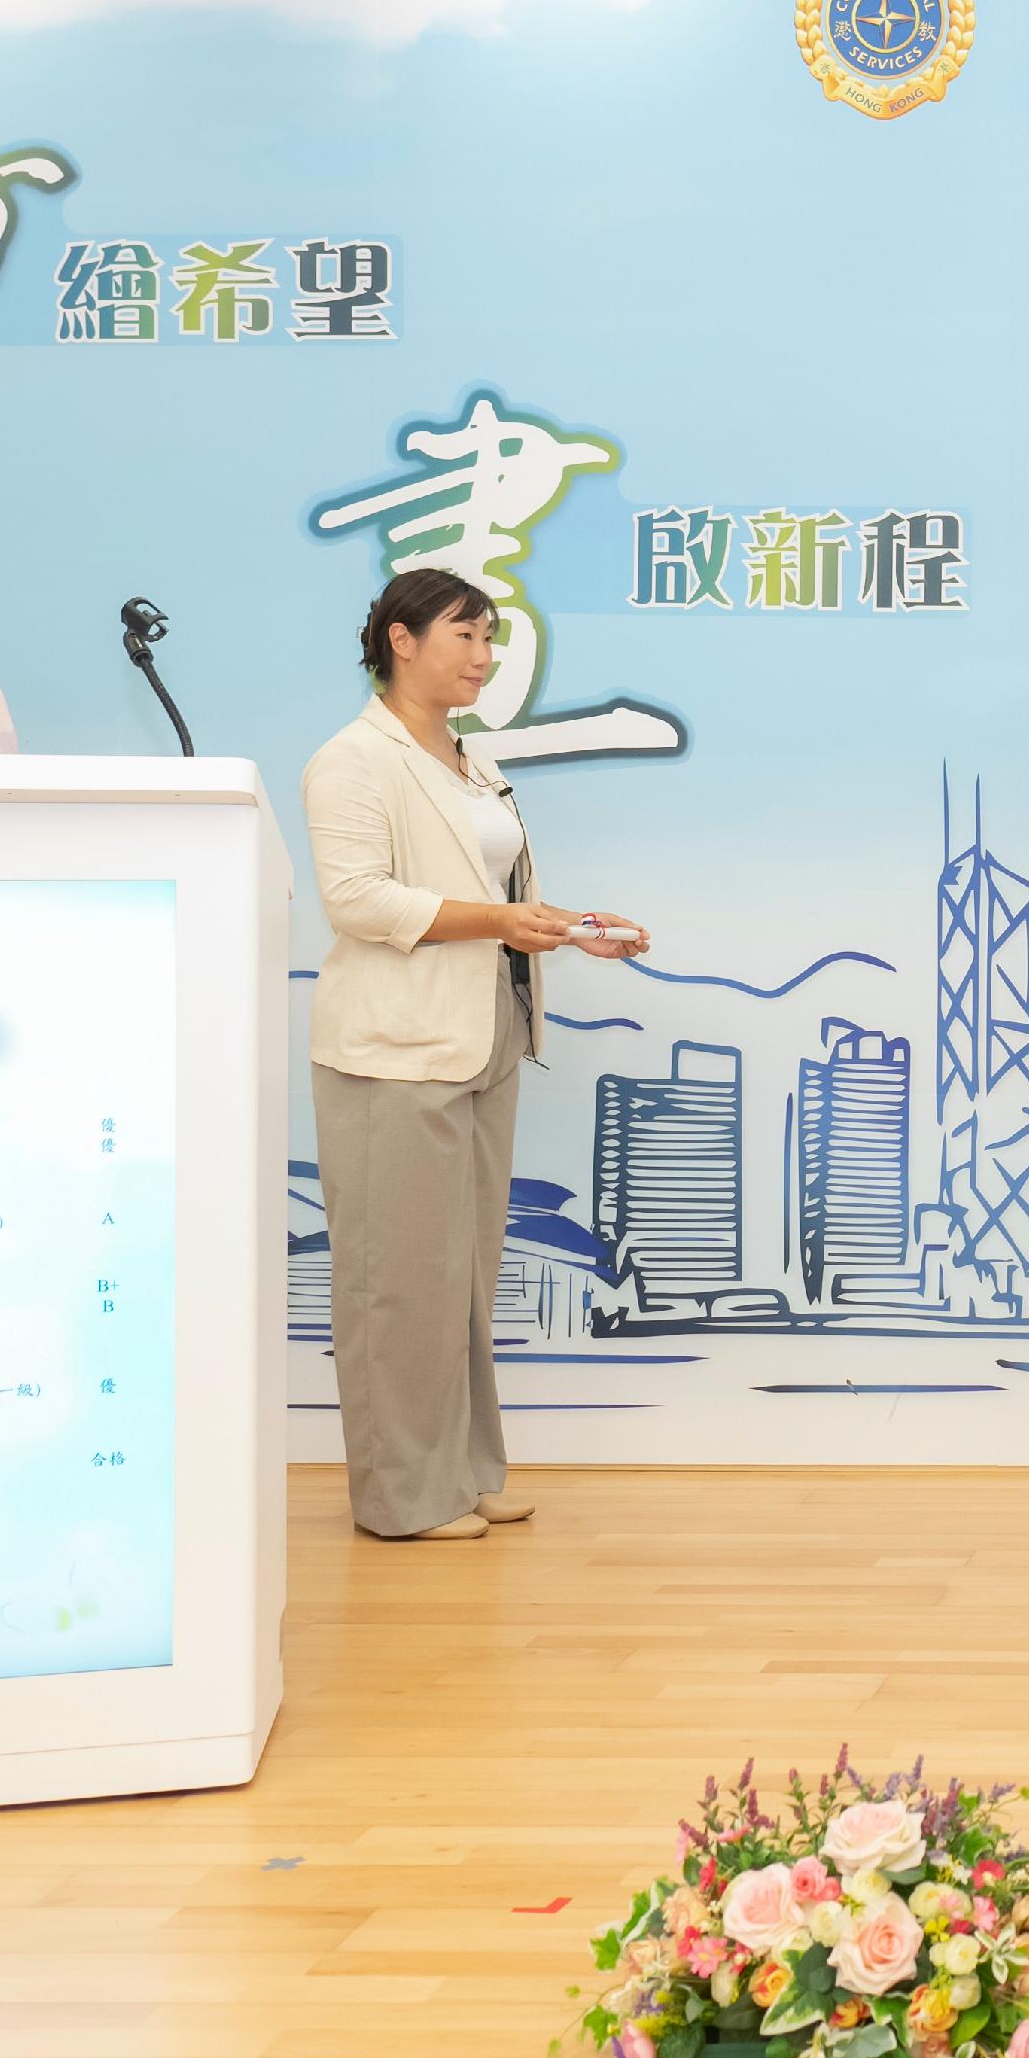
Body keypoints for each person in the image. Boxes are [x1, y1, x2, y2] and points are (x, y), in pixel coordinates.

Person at [301, 568, 647, 1543]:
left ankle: (463, 1470)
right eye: (467, 635)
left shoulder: (464, 760)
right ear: (401, 641)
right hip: (391, 1053)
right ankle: (404, 1497)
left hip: (483, 1033)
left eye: (490, 638)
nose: (486, 656)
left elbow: (487, 893)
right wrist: (500, 918)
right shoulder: (352, 760)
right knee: (397, 1281)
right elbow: (358, 901)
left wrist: (573, 927)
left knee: (459, 1276)